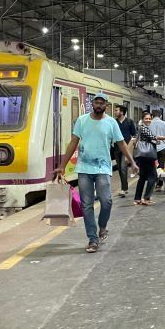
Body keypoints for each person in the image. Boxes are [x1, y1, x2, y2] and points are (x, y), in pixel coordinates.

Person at [54, 93, 138, 253]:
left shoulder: (111, 123)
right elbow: (73, 142)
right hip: (84, 169)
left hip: (103, 168)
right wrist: (62, 165)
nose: (99, 105)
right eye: (96, 102)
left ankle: (103, 226)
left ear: (106, 105)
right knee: (87, 205)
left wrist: (131, 162)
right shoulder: (82, 120)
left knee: (106, 201)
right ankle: (92, 239)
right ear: (93, 104)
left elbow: (121, 143)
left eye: (102, 103)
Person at [133, 111, 165, 205]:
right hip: (147, 155)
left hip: (143, 156)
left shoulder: (142, 128)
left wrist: (156, 141)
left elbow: (151, 139)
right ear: (142, 119)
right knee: (153, 176)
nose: (148, 120)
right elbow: (155, 137)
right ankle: (146, 198)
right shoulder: (143, 128)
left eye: (149, 118)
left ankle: (137, 198)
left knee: (143, 177)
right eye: (146, 119)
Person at [113, 105, 137, 197]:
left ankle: (124, 188)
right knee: (119, 168)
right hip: (116, 148)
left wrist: (131, 145)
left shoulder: (129, 122)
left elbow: (134, 135)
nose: (115, 112)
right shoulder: (114, 122)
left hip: (126, 148)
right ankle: (124, 187)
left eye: (116, 110)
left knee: (123, 167)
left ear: (122, 112)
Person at [150, 110, 165, 192]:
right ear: (160, 116)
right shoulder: (164, 123)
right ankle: (159, 184)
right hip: (162, 148)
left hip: (151, 148)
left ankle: (152, 183)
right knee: (161, 165)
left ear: (152, 116)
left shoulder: (149, 123)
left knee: (152, 166)